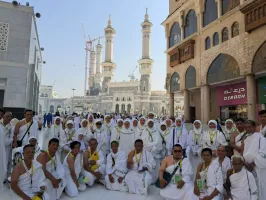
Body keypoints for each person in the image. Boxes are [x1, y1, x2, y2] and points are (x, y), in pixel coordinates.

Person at [242, 120, 266, 200]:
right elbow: (244, 154)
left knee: (260, 187)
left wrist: (253, 163)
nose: (248, 129)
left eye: (250, 127)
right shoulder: (246, 139)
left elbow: (263, 153)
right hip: (247, 167)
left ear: (254, 127)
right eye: (246, 127)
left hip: (258, 168)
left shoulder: (261, 138)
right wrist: (245, 163)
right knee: (250, 188)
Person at [0, 111, 13, 181]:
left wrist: (10, 140)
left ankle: (4, 177)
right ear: (3, 117)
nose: (9, 118)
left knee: (6, 162)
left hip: (7, 148)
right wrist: (11, 139)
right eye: (8, 116)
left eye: (11, 116)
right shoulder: (0, 125)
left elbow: (11, 138)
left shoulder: (11, 126)